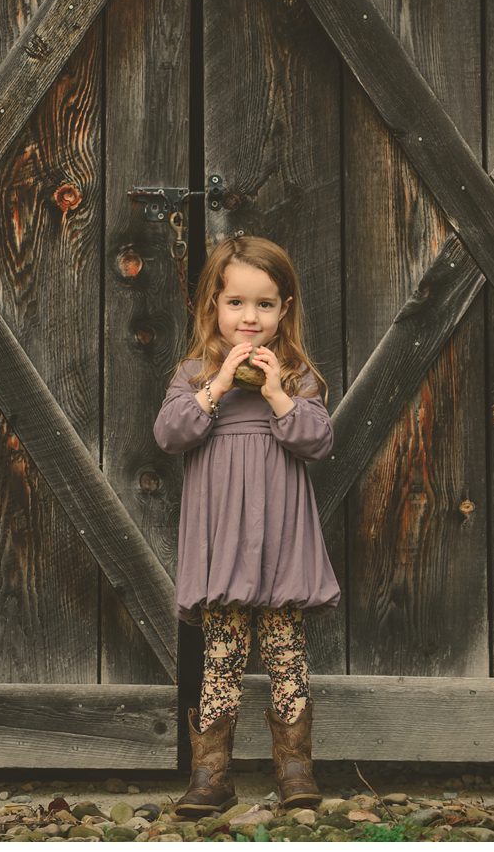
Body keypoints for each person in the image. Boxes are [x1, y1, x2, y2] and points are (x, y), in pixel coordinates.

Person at [154, 235, 339, 817]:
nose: (249, 317)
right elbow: (169, 434)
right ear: (213, 305)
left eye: (264, 304)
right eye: (236, 302)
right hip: (224, 543)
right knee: (223, 654)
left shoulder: (298, 375)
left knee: (287, 651)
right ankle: (211, 776)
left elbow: (317, 441)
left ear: (284, 309)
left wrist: (279, 392)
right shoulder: (194, 374)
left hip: (280, 542)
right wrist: (218, 385)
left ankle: (295, 768)